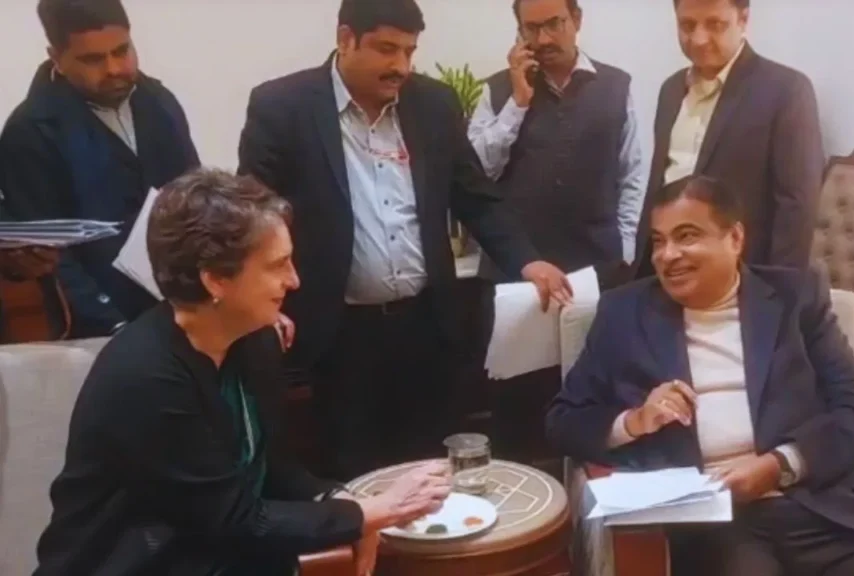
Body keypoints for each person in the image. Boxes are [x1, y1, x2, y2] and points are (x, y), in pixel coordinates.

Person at [548, 176, 854, 575]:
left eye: (687, 236)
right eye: (659, 241)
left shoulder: (795, 299)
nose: (667, 255)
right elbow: (563, 421)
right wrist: (634, 421)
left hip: (822, 507)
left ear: (735, 238)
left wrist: (779, 465)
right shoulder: (623, 313)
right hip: (716, 526)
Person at [34, 169, 452, 576]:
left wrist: (347, 502)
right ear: (216, 280)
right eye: (278, 265)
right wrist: (373, 511)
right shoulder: (146, 377)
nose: (294, 280)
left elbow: (274, 472)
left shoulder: (254, 341)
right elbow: (235, 520)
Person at [238, 0, 571, 481]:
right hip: (340, 336)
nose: (401, 66)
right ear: (346, 38)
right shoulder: (284, 108)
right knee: (356, 474)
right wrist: (262, 298)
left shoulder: (432, 104)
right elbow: (255, 215)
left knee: (432, 473)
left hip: (426, 328)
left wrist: (527, 260)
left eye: (410, 51)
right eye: (386, 49)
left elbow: (475, 195)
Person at [0, 0, 200, 338]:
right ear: (56, 58)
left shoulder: (158, 100)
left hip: (181, 313)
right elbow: (52, 255)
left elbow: (195, 200)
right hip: (99, 327)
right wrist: (113, 325)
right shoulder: (30, 132)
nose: (114, 69)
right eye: (92, 59)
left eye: (122, 51)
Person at [634, 0, 825, 278]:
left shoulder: (785, 90)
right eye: (687, 25)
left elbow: (796, 205)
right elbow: (660, 182)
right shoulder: (671, 90)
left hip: (741, 276)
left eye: (715, 25)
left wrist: (777, 289)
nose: (699, 39)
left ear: (743, 20)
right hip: (665, 269)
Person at [468, 0, 645, 289]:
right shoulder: (497, 89)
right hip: (515, 270)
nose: (543, 40)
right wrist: (517, 103)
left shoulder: (616, 86)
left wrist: (626, 248)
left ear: (577, 19)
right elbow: (476, 174)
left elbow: (631, 175)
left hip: (598, 268)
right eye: (532, 28)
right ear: (519, 32)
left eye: (554, 24)